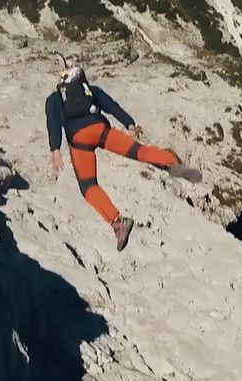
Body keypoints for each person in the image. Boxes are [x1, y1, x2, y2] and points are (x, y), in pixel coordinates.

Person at [46, 60, 192, 250]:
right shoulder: (92, 90)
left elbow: (53, 122)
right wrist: (130, 124)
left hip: (80, 141)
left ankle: (118, 222)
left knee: (89, 186)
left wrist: (55, 148)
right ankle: (171, 162)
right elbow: (112, 106)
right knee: (138, 151)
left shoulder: (55, 99)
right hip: (101, 130)